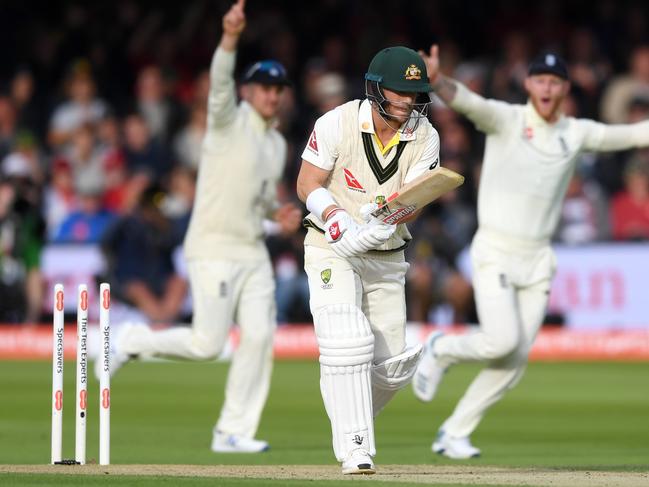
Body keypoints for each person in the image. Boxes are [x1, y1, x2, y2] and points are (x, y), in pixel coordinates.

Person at [412, 45, 649, 459]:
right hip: (496, 250)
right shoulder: (507, 120)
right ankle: (440, 348)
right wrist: (439, 79)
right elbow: (468, 102)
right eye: (540, 79)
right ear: (528, 84)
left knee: (515, 359)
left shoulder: (575, 133)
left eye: (555, 81)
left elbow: (631, 134)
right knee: (502, 341)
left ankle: (454, 432)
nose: (547, 87)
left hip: (538, 258)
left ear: (564, 88)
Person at [97, 0, 301, 454]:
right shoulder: (227, 122)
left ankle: (233, 431)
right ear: (249, 92)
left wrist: (278, 215)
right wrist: (229, 38)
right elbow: (220, 86)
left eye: (278, 89)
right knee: (208, 344)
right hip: (212, 246)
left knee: (261, 336)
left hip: (252, 251)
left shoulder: (277, 143)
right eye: (264, 88)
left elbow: (264, 200)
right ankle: (131, 342)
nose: (272, 95)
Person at [296, 45, 442, 474]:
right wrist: (336, 217)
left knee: (393, 365)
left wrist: (386, 218)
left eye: (414, 94)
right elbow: (307, 182)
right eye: (400, 92)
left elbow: (415, 198)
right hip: (332, 245)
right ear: (376, 89)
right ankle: (356, 450)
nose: (409, 102)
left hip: (387, 255)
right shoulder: (337, 121)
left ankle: (344, 407)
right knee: (346, 337)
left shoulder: (425, 134)